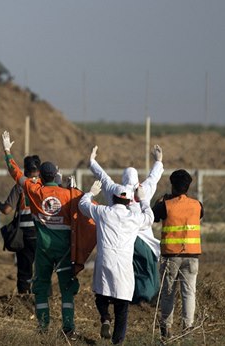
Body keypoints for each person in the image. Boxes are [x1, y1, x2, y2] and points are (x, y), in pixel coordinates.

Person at [1, 131, 79, 339]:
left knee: (41, 287)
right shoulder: (68, 194)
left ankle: (43, 326)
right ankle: (69, 327)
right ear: (56, 176)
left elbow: (15, 173)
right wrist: (80, 189)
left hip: (43, 249)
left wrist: (7, 151)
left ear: (42, 178)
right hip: (64, 250)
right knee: (66, 289)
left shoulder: (35, 191)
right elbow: (86, 204)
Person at [78, 180, 153, 344]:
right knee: (122, 304)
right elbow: (150, 218)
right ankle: (117, 341)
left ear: (113, 198)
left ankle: (105, 318)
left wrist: (91, 193)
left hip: (105, 259)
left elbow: (83, 205)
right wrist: (143, 200)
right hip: (124, 264)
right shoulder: (134, 218)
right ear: (128, 202)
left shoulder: (103, 212)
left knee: (101, 294)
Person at [89, 144, 164, 304]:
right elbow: (153, 177)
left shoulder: (115, 190)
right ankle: (144, 296)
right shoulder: (143, 189)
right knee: (146, 267)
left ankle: (119, 296)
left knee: (123, 268)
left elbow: (103, 177)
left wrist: (92, 161)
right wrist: (158, 161)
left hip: (120, 237)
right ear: (136, 178)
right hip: (143, 239)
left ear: (123, 178)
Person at [152, 169, 204, 339]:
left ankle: (166, 329)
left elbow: (153, 216)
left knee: (168, 293)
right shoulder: (197, 205)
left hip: (171, 257)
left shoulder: (165, 205)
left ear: (173, 186)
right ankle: (188, 329)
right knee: (189, 293)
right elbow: (199, 216)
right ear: (188, 187)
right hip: (192, 257)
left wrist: (162, 200)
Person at [0, 155, 42, 294]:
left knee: (24, 268)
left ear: (25, 169)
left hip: (24, 233)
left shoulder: (20, 185)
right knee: (42, 267)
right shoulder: (44, 185)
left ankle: (24, 297)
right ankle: (44, 297)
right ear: (39, 169)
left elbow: (7, 210)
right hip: (41, 232)